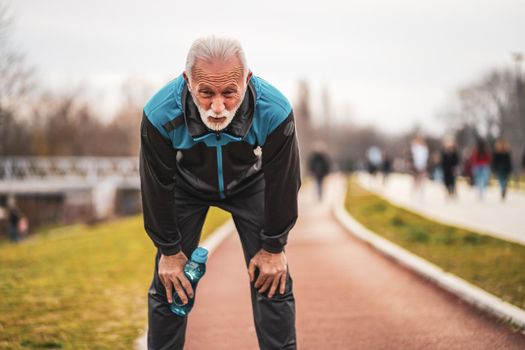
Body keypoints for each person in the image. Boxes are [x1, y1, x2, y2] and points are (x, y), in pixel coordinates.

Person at [139, 36, 300, 350]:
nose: (217, 107)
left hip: (248, 183)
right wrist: (169, 251)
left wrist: (274, 246)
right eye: (205, 93)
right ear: (187, 82)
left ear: (247, 80)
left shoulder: (275, 109)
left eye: (229, 93)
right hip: (187, 186)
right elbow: (155, 185)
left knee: (273, 278)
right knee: (169, 281)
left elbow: (284, 182)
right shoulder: (160, 113)